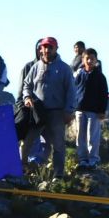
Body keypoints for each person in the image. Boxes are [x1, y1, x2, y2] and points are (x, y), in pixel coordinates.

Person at [22, 37, 77, 180]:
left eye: (50, 47)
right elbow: (26, 85)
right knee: (28, 142)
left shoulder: (64, 69)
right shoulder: (36, 67)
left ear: (56, 49)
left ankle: (58, 175)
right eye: (44, 47)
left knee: (58, 145)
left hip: (57, 112)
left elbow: (71, 92)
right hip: (37, 112)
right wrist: (27, 97)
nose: (47, 50)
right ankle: (24, 169)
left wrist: (69, 111)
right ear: (41, 49)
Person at [74, 48, 109, 169]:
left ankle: (93, 160)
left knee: (92, 136)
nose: (89, 61)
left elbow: (104, 95)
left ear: (96, 60)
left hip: (94, 112)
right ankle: (82, 159)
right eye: (87, 58)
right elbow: (73, 90)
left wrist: (102, 111)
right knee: (80, 136)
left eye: (92, 59)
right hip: (79, 110)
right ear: (83, 60)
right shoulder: (79, 75)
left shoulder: (100, 76)